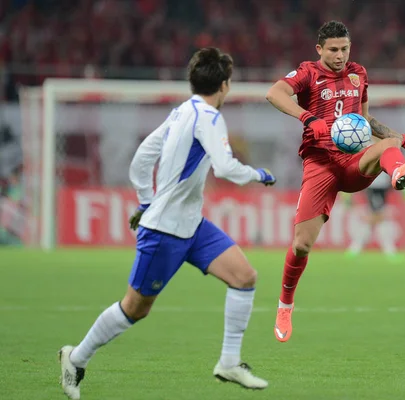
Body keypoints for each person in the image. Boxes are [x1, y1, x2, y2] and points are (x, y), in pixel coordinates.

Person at [58, 48, 275, 399]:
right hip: (165, 232)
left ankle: (229, 362)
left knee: (244, 277)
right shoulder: (209, 116)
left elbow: (142, 158)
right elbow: (225, 167)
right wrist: (258, 174)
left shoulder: (180, 113)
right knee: (135, 308)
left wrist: (146, 199)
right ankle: (76, 358)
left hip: (192, 225)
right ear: (223, 85)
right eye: (229, 83)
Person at [266, 20, 405, 343]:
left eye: (344, 49)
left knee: (388, 147)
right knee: (301, 244)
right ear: (319, 50)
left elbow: (366, 121)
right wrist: (308, 117)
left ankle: (398, 173)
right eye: (333, 50)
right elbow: (274, 93)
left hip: (354, 161)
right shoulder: (308, 73)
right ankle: (285, 305)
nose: (340, 55)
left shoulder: (359, 74)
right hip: (321, 165)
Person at [344, 173, 405, 261]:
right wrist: (368, 216)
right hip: (368, 214)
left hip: (382, 214)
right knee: (362, 228)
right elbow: (355, 206)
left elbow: (396, 207)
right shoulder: (362, 191)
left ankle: (390, 251)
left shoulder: (391, 191)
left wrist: (378, 216)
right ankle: (354, 249)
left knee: (386, 228)